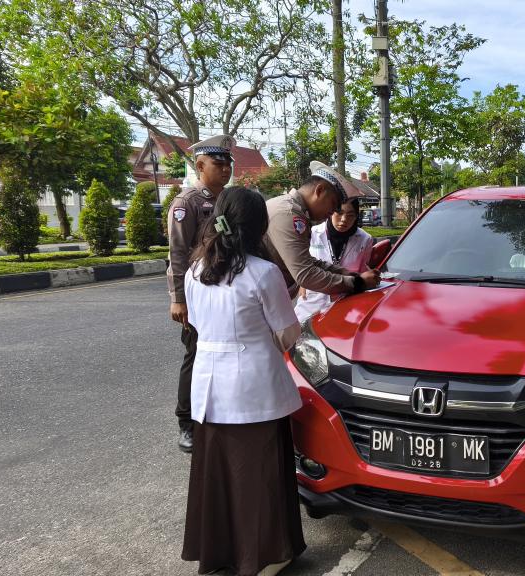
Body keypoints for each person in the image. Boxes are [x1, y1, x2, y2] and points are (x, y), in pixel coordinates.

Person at [181, 186, 304, 576]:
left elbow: (198, 326)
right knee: (260, 477)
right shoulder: (264, 273)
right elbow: (288, 335)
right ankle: (263, 555)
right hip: (255, 389)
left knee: (217, 477)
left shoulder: (195, 271)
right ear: (257, 226)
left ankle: (220, 553)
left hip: (209, 389)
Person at [166, 135, 236, 453]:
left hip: (224, 293)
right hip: (197, 297)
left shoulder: (225, 201)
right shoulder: (187, 204)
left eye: (227, 164)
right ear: (200, 165)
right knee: (195, 356)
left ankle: (213, 418)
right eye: (218, 164)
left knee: (219, 356)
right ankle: (187, 424)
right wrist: (178, 298)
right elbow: (178, 254)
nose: (225, 170)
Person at [264, 161, 380, 303]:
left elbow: (305, 259)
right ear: (319, 191)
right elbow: (306, 275)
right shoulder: (290, 215)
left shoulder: (292, 209)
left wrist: (345, 273)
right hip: (258, 304)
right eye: (334, 204)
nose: (333, 212)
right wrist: (358, 283)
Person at [294, 197, 375, 320]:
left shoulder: (365, 239)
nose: (344, 220)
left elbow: (363, 270)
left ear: (356, 216)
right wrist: (302, 282)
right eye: (340, 213)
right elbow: (301, 264)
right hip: (312, 302)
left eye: (350, 215)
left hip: (348, 305)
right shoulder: (312, 233)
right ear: (331, 212)